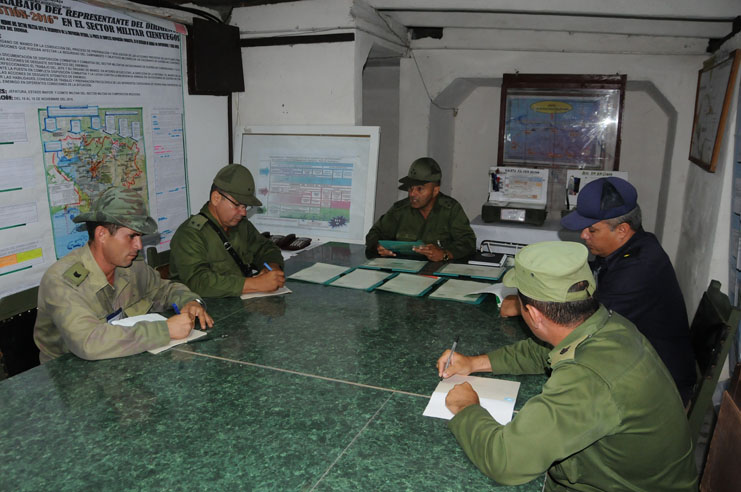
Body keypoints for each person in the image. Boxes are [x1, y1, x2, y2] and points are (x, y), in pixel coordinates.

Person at [437, 241, 698, 491]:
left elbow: (506, 461)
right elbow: (546, 350)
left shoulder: (587, 379)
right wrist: (474, 363)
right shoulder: (606, 323)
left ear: (535, 315)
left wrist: (467, 408)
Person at [501, 177, 696, 404]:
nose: (584, 235)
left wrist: (526, 304)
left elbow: (578, 326)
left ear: (622, 229)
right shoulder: (631, 246)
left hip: (659, 387)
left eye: (592, 230)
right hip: (627, 361)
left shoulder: (638, 268)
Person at [34, 187, 213, 363]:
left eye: (140, 237)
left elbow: (163, 290)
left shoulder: (129, 266)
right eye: (131, 236)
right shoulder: (62, 281)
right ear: (102, 234)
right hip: (68, 376)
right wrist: (164, 330)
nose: (139, 246)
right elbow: (88, 342)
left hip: (120, 364)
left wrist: (190, 302)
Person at [169, 164, 285, 298]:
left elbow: (265, 248)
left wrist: (271, 268)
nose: (243, 213)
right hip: (201, 311)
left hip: (237, 306)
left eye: (245, 206)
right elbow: (198, 282)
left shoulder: (240, 225)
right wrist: (256, 284)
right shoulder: (190, 234)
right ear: (216, 198)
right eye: (237, 205)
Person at [365, 157, 476, 261]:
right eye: (410, 188)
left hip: (437, 273)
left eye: (420, 189)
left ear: (435, 191)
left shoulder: (450, 209)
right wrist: (378, 247)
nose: (412, 194)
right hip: (404, 272)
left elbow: (468, 242)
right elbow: (374, 234)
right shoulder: (399, 210)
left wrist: (445, 254)